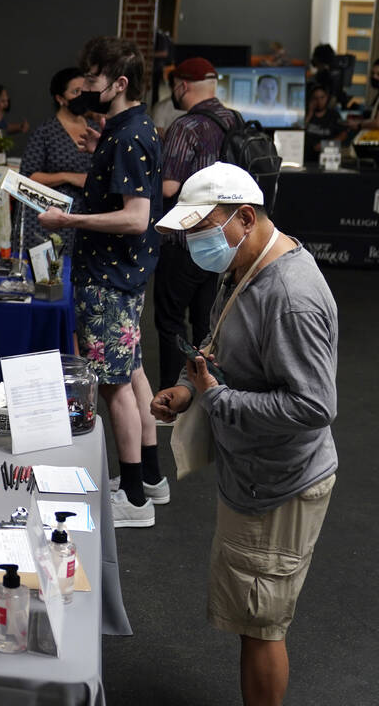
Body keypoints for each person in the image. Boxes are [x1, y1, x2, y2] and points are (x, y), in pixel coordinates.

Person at [151, 162, 337, 706]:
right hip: (256, 477)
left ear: (245, 217)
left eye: (200, 230)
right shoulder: (247, 266)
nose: (193, 244)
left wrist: (216, 398)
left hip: (279, 485)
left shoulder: (291, 297)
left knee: (262, 625)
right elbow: (227, 347)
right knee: (253, 615)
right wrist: (191, 388)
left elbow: (313, 404)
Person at [38, 36, 164, 529]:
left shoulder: (129, 135)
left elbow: (135, 219)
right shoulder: (126, 129)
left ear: (120, 83)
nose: (85, 87)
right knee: (131, 375)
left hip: (109, 276)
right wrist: (99, 153)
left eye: (92, 79)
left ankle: (133, 498)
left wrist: (69, 222)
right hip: (121, 274)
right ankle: (149, 478)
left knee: (114, 388)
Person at [153, 57, 235, 394]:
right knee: (207, 324)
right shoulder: (234, 120)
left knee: (171, 322)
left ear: (182, 85)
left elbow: (169, 188)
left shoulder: (185, 127)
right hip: (226, 239)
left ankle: (173, 394)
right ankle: (207, 389)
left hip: (186, 241)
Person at [16, 67, 94, 256]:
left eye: (84, 91)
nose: (81, 96)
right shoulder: (46, 132)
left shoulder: (94, 130)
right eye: (75, 92)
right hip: (51, 217)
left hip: (88, 216)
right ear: (60, 99)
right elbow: (27, 177)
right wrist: (68, 177)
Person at [304, 84, 347, 164]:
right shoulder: (306, 114)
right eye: (315, 98)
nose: (319, 101)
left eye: (322, 97)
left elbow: (343, 134)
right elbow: (299, 131)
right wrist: (310, 114)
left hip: (327, 159)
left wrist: (325, 145)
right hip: (306, 158)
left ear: (327, 98)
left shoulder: (334, 115)